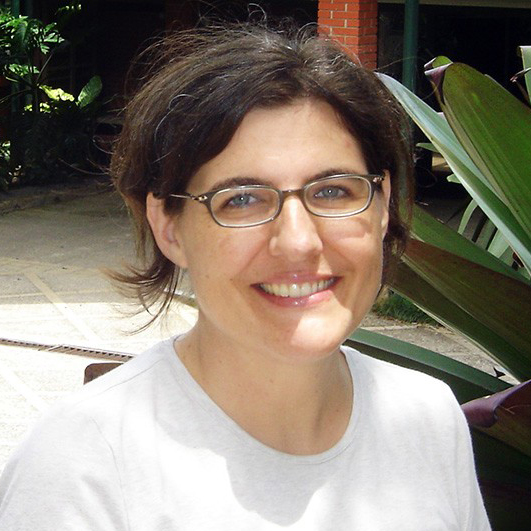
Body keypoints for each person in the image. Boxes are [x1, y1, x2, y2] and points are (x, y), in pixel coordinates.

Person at [0, 22, 490, 530]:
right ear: (168, 226)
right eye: (241, 200)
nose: (299, 241)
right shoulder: (85, 466)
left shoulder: (426, 418)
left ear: (382, 205)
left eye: (332, 191)